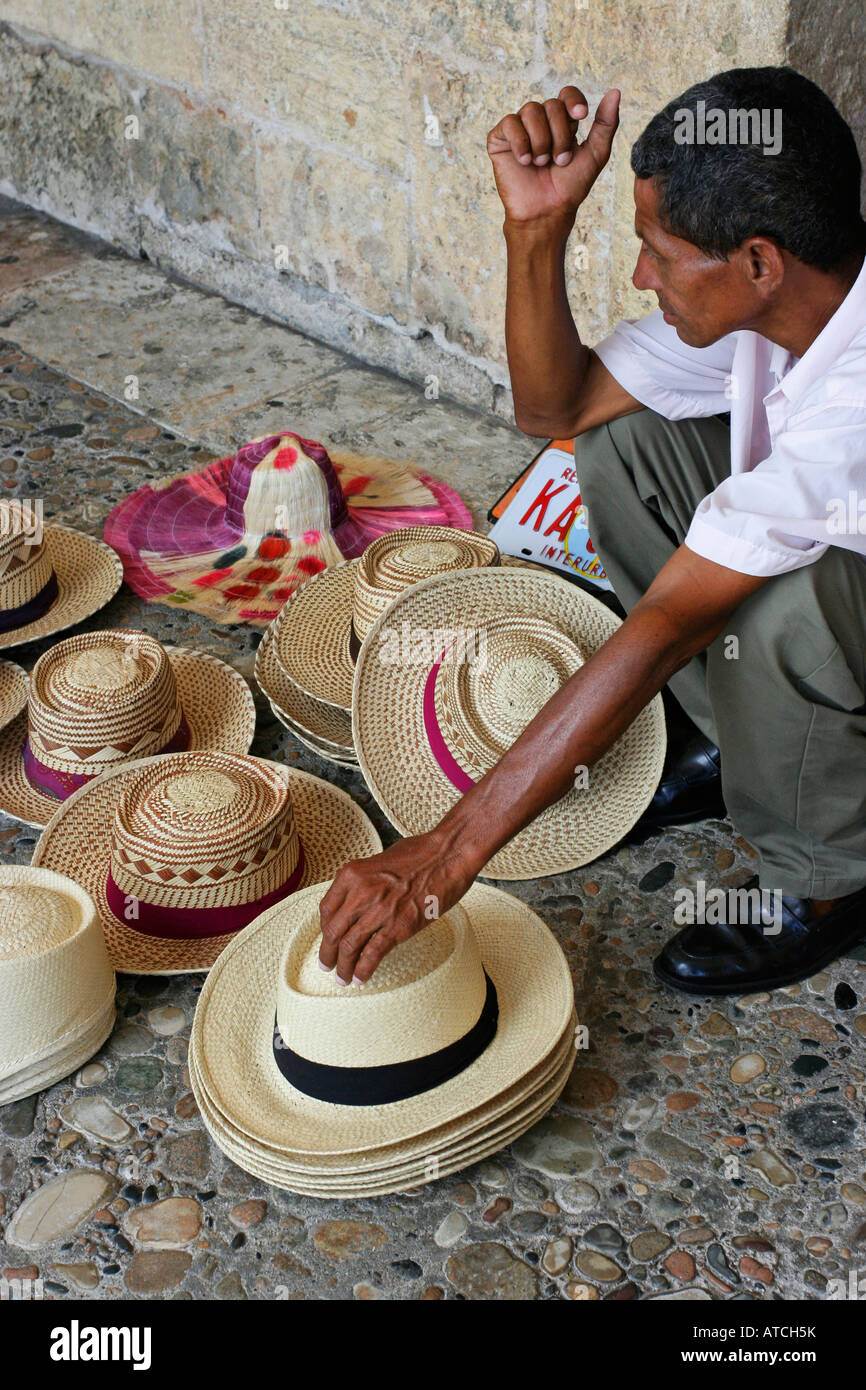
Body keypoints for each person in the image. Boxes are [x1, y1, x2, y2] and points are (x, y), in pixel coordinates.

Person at [318, 66, 866, 997]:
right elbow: (555, 405)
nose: (642, 275)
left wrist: (450, 853)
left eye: (659, 251)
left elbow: (670, 622)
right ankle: (736, 737)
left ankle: (826, 880)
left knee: (788, 608)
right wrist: (534, 227)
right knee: (621, 441)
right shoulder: (786, 296)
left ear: (760, 263)